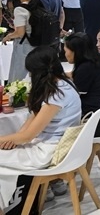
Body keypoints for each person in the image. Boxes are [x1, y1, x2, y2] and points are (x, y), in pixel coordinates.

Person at [0, 47, 81, 210]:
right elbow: (31, 122)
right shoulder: (63, 85)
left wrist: (17, 138)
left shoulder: (57, 95)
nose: (30, 76)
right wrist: (15, 139)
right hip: (48, 145)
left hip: (48, 151)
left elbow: (28, 136)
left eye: (31, 72)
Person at [64, 33, 100, 137]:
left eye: (66, 51)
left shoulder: (86, 68)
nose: (65, 55)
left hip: (98, 123)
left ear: (76, 52)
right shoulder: (93, 61)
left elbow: (74, 96)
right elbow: (74, 76)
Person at [1, 0, 38, 82]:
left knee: (16, 76)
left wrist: (8, 36)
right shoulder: (37, 4)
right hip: (36, 43)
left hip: (24, 44)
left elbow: (20, 33)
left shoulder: (20, 9)